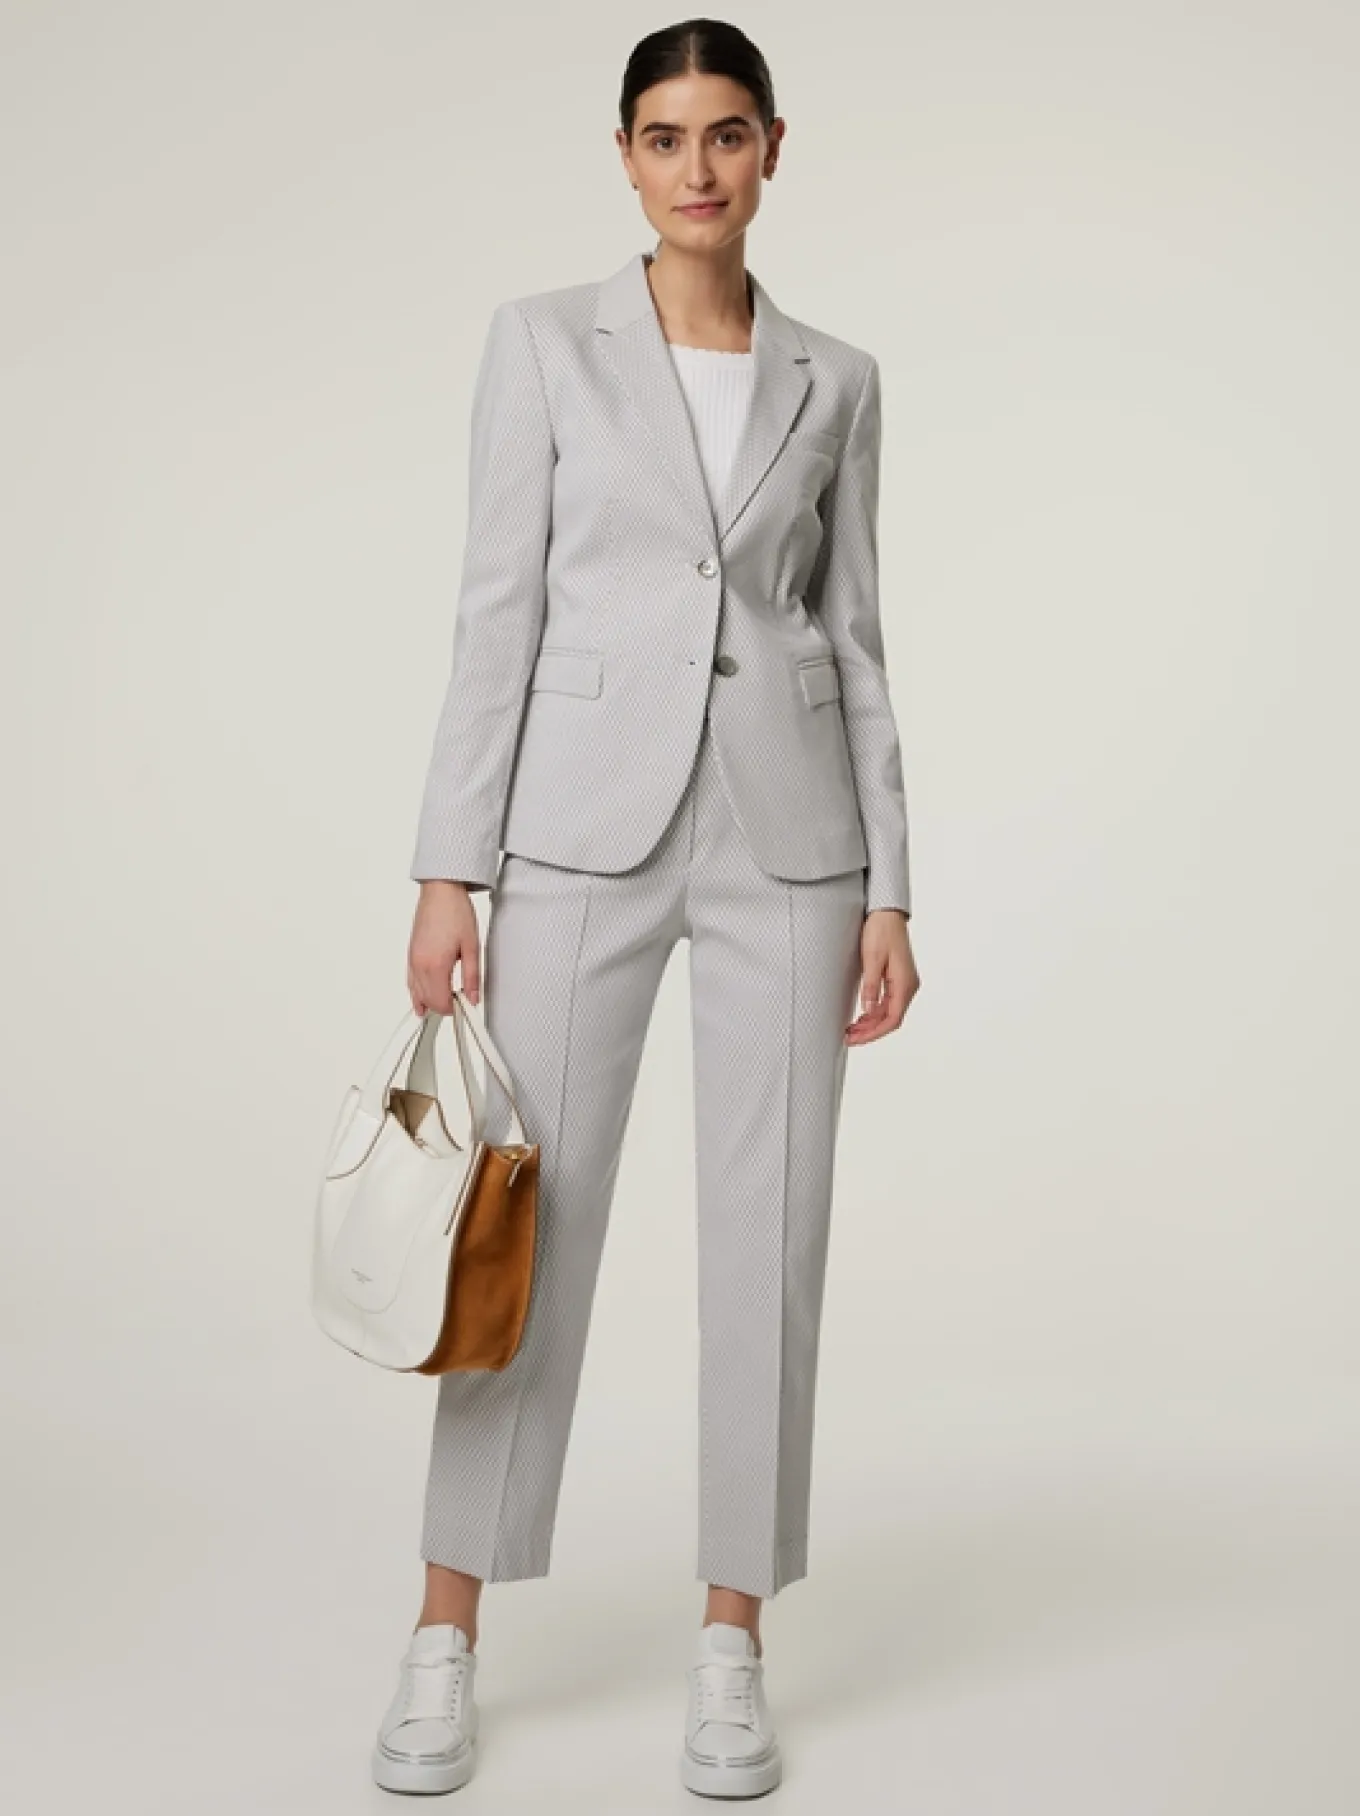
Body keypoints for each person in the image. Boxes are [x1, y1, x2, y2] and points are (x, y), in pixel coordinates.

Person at [371, 17, 921, 1800]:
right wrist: (449, 866)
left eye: (728, 134)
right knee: (521, 1234)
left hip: (791, 837)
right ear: (624, 156)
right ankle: (445, 1633)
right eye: (667, 136)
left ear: (774, 150)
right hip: (575, 832)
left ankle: (731, 1639)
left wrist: (891, 885)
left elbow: (855, 637)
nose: (699, 167)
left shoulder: (838, 378)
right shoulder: (543, 344)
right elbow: (496, 612)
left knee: (771, 1238)